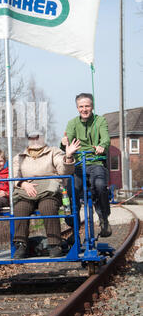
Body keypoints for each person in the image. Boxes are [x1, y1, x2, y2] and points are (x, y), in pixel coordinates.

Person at [12, 130, 80, 259]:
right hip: (27, 191)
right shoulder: (19, 157)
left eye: (38, 138)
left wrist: (69, 156)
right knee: (20, 208)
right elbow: (14, 176)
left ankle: (55, 244)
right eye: (32, 138)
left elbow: (65, 170)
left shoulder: (54, 152)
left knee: (47, 207)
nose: (35, 141)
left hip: (50, 191)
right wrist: (23, 184)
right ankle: (21, 244)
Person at [61, 93, 112, 237]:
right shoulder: (72, 123)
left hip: (95, 162)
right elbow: (67, 139)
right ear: (77, 108)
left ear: (92, 106)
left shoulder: (100, 121)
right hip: (78, 164)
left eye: (87, 106)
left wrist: (102, 146)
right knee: (72, 189)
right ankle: (74, 224)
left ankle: (104, 218)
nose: (84, 109)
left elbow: (106, 139)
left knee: (101, 185)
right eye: (81, 106)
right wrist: (65, 142)